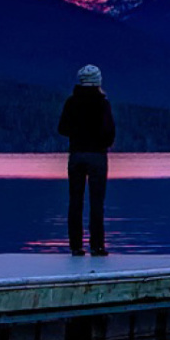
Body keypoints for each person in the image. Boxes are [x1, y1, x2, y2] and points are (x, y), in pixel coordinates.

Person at [57, 64, 115, 255]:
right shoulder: (102, 103)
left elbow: (62, 128)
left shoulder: (71, 102)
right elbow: (110, 132)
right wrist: (101, 142)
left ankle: (76, 246)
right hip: (97, 156)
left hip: (77, 155)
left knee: (75, 201)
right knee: (97, 202)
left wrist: (78, 133)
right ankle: (97, 245)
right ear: (98, 82)